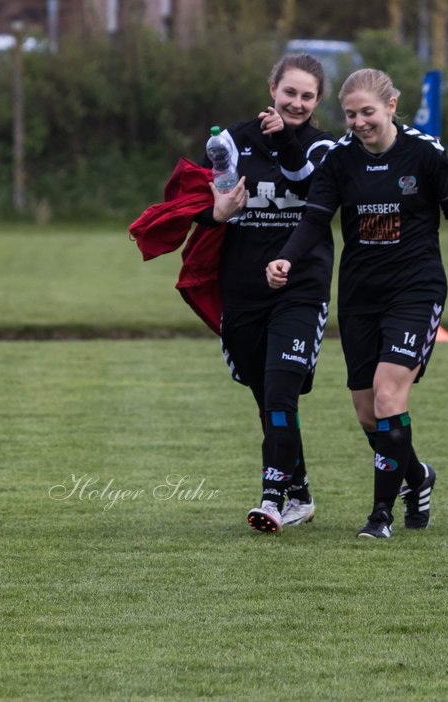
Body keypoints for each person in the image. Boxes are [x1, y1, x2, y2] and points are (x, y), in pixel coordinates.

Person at [267, 68, 448, 539]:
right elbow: (315, 219)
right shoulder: (340, 161)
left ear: (391, 106)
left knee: (389, 396)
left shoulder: (425, 155)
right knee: (369, 412)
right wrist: (284, 259)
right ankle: (417, 476)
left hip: (415, 290)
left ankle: (380, 516)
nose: (359, 122)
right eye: (350, 114)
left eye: (367, 111)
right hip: (359, 297)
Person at [196, 54, 336, 534]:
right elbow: (192, 201)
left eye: (307, 96)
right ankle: (299, 492)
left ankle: (272, 499)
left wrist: (285, 138)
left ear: (318, 102)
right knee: (266, 400)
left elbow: (314, 186)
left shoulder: (322, 147)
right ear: (272, 88)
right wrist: (215, 211)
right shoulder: (232, 141)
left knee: (281, 392)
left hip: (302, 290)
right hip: (243, 292)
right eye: (289, 92)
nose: (296, 102)